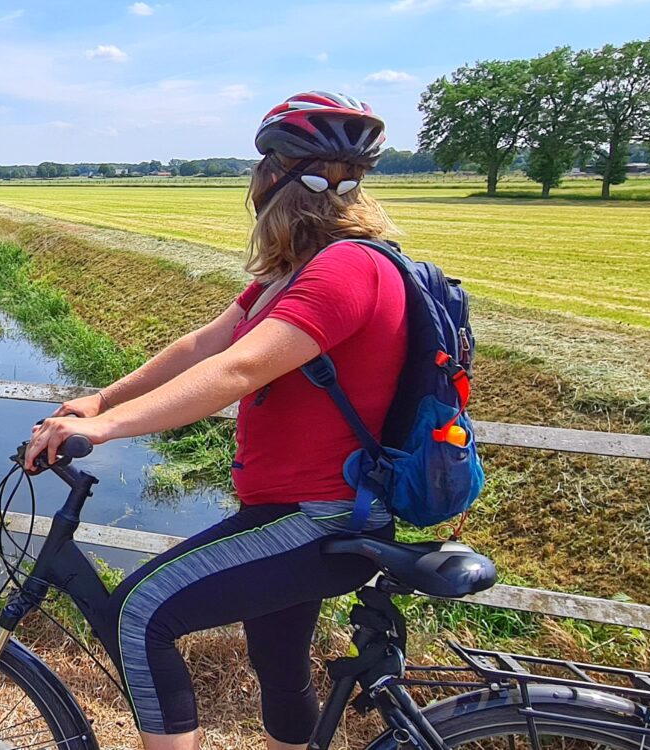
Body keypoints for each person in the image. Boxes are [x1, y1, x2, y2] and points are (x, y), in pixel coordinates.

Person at [23, 91, 404, 750]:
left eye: (259, 169)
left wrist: (103, 432)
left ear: (275, 180)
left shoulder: (344, 269)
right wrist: (103, 399)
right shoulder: (292, 274)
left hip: (316, 517)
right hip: (293, 513)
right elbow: (208, 344)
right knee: (281, 671)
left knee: (139, 615)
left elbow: (237, 371)